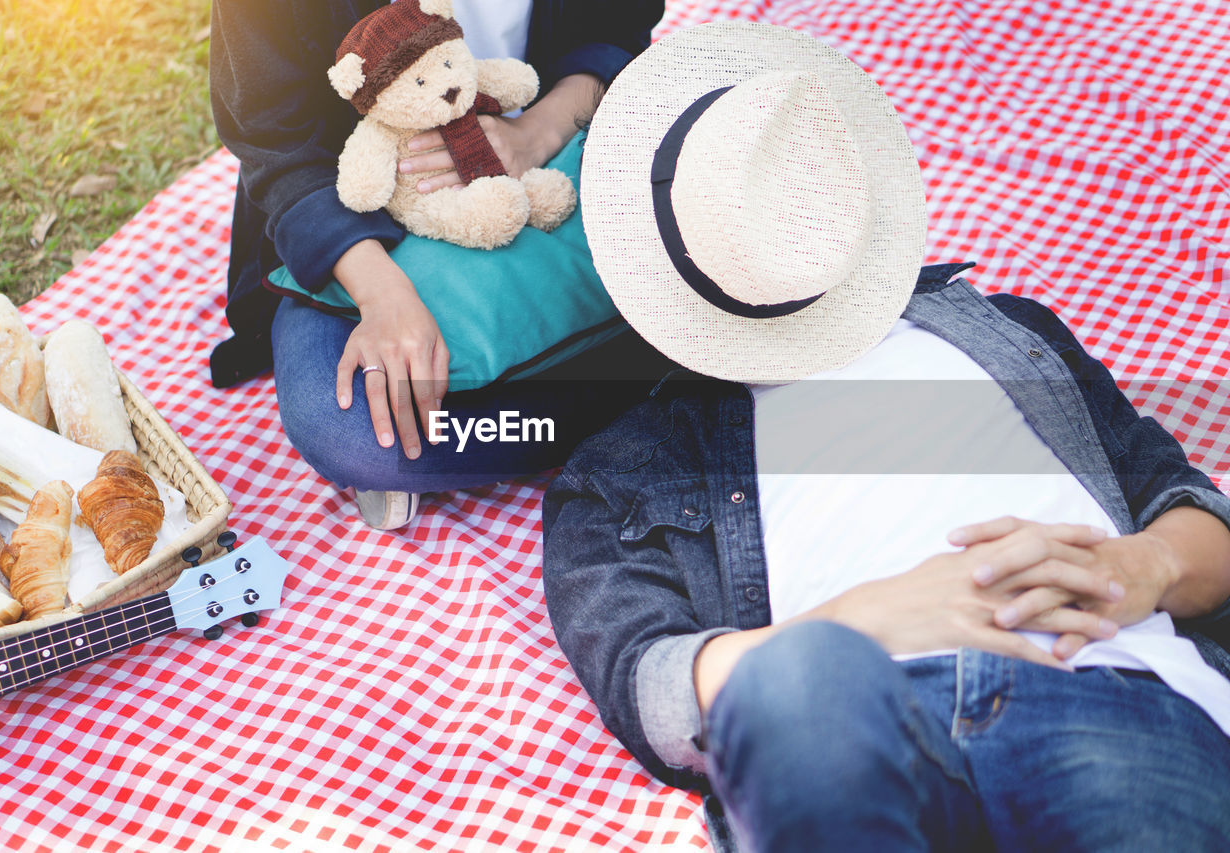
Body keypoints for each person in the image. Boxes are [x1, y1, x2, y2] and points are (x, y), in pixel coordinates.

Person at [541, 22, 1230, 852]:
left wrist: (1140, 565)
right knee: (794, 679)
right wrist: (861, 622)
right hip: (841, 703)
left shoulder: (1007, 329)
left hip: (1107, 688)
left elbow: (1195, 516)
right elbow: (648, 687)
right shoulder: (626, 459)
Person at [209, 0, 667, 527]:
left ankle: (676, 358)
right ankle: (671, 374)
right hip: (364, 223)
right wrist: (382, 295)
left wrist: (532, 135)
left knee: (723, 247)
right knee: (352, 428)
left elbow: (616, 28)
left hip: (559, 150)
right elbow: (274, 137)